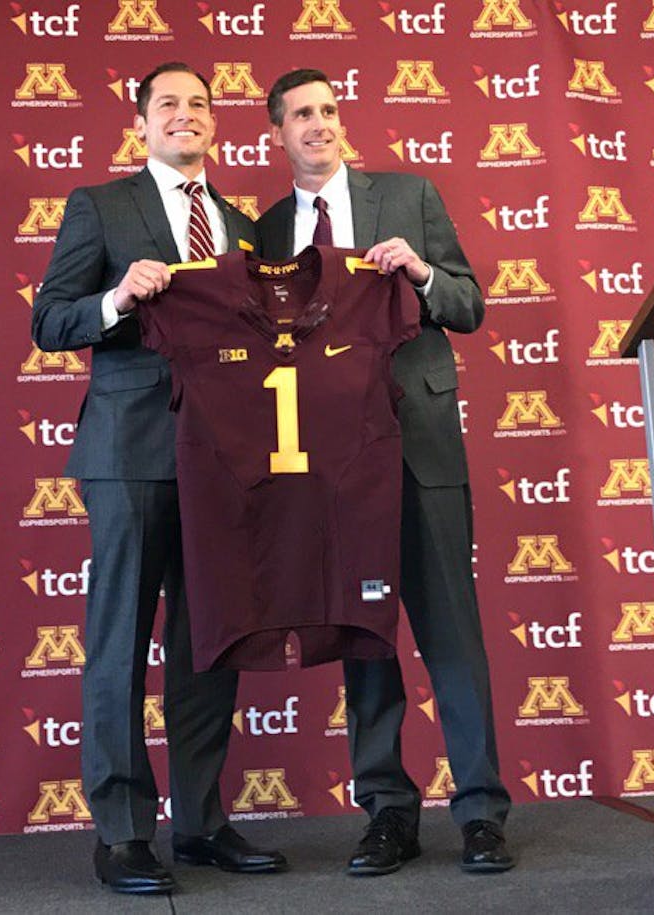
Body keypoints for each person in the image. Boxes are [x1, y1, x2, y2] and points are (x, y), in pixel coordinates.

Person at [31, 61, 286, 895]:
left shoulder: (246, 226)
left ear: (217, 123)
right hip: (131, 449)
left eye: (200, 104)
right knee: (118, 639)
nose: (186, 115)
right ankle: (122, 830)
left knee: (210, 638)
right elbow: (49, 321)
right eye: (168, 104)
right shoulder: (101, 207)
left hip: (225, 459)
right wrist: (115, 297)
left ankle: (202, 822)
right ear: (142, 122)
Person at [257, 69, 513, 875]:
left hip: (421, 446)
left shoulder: (409, 197)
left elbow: (470, 306)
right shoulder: (262, 233)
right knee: (364, 639)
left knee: (452, 633)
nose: (319, 124)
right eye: (301, 115)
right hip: (331, 466)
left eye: (329, 111)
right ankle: (388, 812)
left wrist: (425, 275)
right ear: (277, 135)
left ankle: (479, 811)